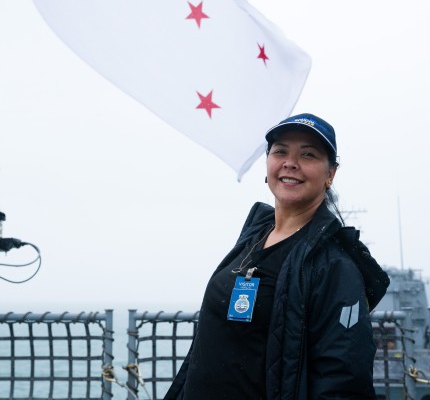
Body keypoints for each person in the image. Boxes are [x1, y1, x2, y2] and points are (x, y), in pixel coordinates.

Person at [164, 113, 389, 400]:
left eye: (308, 155)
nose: (290, 163)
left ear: (330, 174)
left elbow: (343, 381)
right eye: (280, 151)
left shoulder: (334, 267)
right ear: (268, 162)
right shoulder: (252, 238)